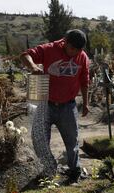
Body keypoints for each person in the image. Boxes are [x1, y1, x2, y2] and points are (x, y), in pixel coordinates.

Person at [21, 29, 90, 183]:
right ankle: (49, 169)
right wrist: (33, 67)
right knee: (39, 138)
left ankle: (75, 170)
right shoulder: (49, 49)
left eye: (78, 50)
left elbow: (85, 80)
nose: (74, 53)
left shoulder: (82, 57)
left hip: (68, 105)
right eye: (72, 49)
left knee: (72, 141)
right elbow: (25, 55)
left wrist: (85, 102)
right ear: (65, 41)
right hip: (46, 103)